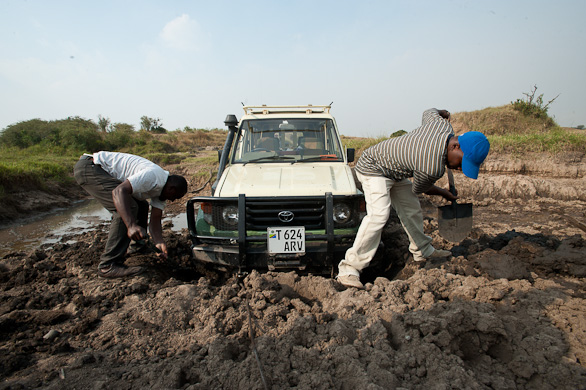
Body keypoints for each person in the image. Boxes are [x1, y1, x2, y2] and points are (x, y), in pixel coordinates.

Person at [337, 108, 490, 289]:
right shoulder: (432, 165)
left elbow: (429, 112)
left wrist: (442, 112)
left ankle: (423, 250)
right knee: (379, 215)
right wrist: (444, 193)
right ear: (455, 146)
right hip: (373, 167)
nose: (459, 169)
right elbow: (420, 188)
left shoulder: (442, 126)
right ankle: (349, 269)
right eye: (462, 163)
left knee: (411, 209)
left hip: (394, 169)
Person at [73, 151, 188, 278]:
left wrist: (159, 242)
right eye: (174, 197)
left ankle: (138, 247)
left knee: (142, 205)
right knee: (128, 208)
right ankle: (108, 265)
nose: (172, 201)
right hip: (91, 168)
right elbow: (119, 191)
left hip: (97, 169)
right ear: (171, 189)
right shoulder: (153, 177)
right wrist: (131, 225)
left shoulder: (161, 191)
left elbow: (155, 220)